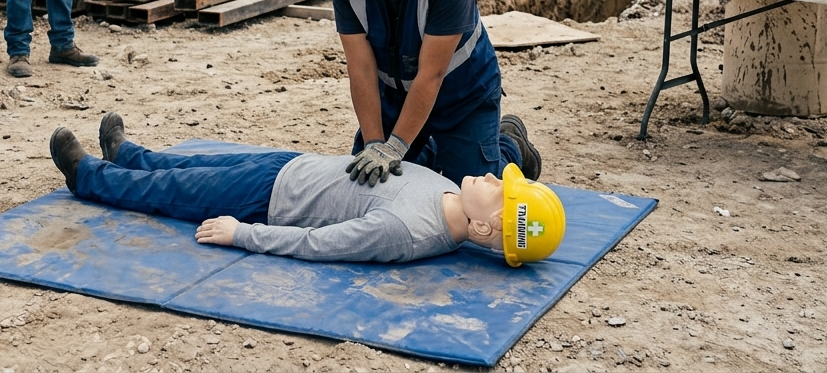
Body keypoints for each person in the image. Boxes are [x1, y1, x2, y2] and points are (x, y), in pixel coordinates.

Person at [49, 113, 565, 266]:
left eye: (502, 191)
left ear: (483, 227)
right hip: (293, 168)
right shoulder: (452, 191)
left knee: (173, 190)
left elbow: (319, 245)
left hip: (269, 202)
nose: (495, 176)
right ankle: (130, 155)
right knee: (192, 163)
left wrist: (242, 234)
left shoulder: (404, 233)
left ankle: (88, 176)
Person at [321, 0, 541, 187]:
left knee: (471, 189)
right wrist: (375, 143)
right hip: (397, 95)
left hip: (461, 94)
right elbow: (360, 68)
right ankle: (432, 150)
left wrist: (396, 147)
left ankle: (511, 144)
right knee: (374, 182)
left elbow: (431, 74)